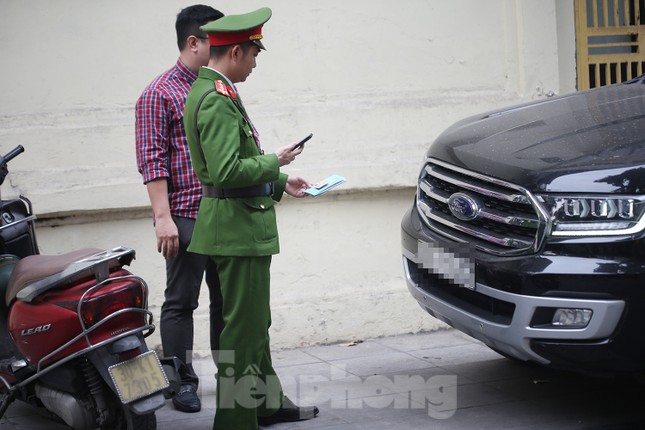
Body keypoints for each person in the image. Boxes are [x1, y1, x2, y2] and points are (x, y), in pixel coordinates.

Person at [183, 7, 319, 429]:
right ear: (237, 52)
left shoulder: (214, 92)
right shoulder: (215, 100)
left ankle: (266, 402)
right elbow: (225, 172)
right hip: (237, 230)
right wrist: (272, 160)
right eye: (255, 54)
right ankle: (235, 422)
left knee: (254, 324)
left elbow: (234, 169)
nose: (257, 63)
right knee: (243, 334)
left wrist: (279, 181)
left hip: (239, 225)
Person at [135, 4, 224, 414]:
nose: (226, 48)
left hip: (224, 214)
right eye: (217, 40)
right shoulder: (159, 92)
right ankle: (181, 382)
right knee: (181, 301)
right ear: (194, 43)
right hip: (186, 213)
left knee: (227, 302)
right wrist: (163, 217)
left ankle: (232, 381)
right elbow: (151, 159)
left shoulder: (219, 86)